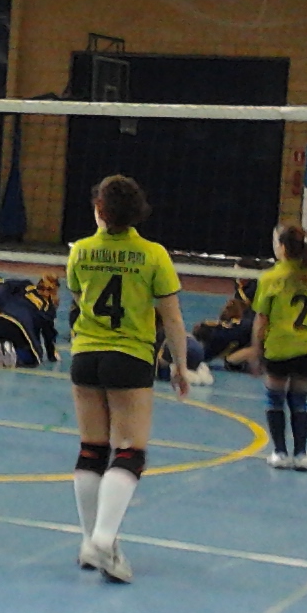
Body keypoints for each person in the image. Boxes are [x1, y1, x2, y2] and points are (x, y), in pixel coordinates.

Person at [65, 174, 189, 583]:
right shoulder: (153, 255)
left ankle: (90, 545)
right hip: (130, 357)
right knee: (130, 452)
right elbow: (171, 317)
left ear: (99, 209)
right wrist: (181, 367)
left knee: (91, 450)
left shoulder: (80, 252)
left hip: (85, 355)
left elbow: (80, 300)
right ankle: (102, 539)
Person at [251, 224, 307, 471]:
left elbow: (261, 320)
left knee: (275, 398)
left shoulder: (270, 279)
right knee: (300, 400)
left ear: (282, 248)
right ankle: (301, 454)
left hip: (279, 349)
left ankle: (280, 452)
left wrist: (257, 350)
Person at [0, 273, 61, 368]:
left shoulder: (25, 285)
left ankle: (0, 344)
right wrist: (52, 356)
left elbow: (3, 288)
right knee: (32, 357)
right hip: (17, 328)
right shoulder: (48, 308)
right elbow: (49, 334)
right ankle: (15, 354)